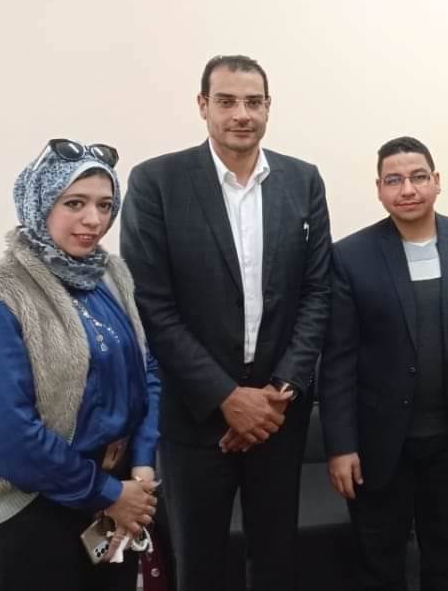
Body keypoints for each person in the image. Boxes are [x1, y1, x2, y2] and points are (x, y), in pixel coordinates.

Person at [120, 55, 332, 591]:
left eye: (253, 102)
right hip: (195, 419)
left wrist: (279, 391)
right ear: (203, 106)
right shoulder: (156, 182)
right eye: (227, 101)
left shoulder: (302, 180)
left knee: (276, 562)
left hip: (279, 416)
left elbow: (316, 292)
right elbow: (152, 305)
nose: (242, 114)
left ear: (268, 108)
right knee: (199, 567)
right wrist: (227, 398)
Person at [0, 139, 160, 591]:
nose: (94, 219)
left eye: (105, 205)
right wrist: (109, 493)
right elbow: (10, 438)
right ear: (40, 202)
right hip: (30, 509)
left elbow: (148, 372)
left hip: (114, 493)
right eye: (75, 203)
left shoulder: (111, 275)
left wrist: (141, 466)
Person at [320, 136, 448, 590]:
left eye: (418, 177)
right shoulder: (350, 256)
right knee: (379, 566)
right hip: (379, 447)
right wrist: (340, 446)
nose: (408, 189)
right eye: (394, 180)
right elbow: (337, 359)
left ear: (436, 181)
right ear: (379, 189)